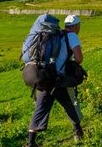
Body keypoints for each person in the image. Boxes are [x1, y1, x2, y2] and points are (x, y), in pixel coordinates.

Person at [26, 15, 84, 147]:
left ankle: (30, 142)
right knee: (69, 105)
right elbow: (79, 58)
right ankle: (78, 134)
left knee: (40, 109)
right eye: (79, 25)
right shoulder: (72, 36)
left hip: (44, 77)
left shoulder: (57, 35)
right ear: (76, 26)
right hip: (57, 79)